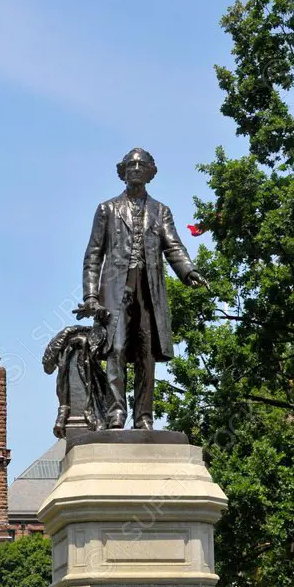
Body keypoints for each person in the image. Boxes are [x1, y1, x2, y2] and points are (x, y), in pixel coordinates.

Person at [77, 147, 209, 430]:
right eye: (130, 164)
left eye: (141, 164)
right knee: (117, 348)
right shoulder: (107, 209)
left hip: (148, 291)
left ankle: (144, 416)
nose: (135, 168)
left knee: (146, 355)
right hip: (114, 291)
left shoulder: (161, 211)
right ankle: (116, 412)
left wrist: (189, 271)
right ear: (122, 171)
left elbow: (173, 245)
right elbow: (93, 254)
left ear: (151, 172)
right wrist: (90, 295)